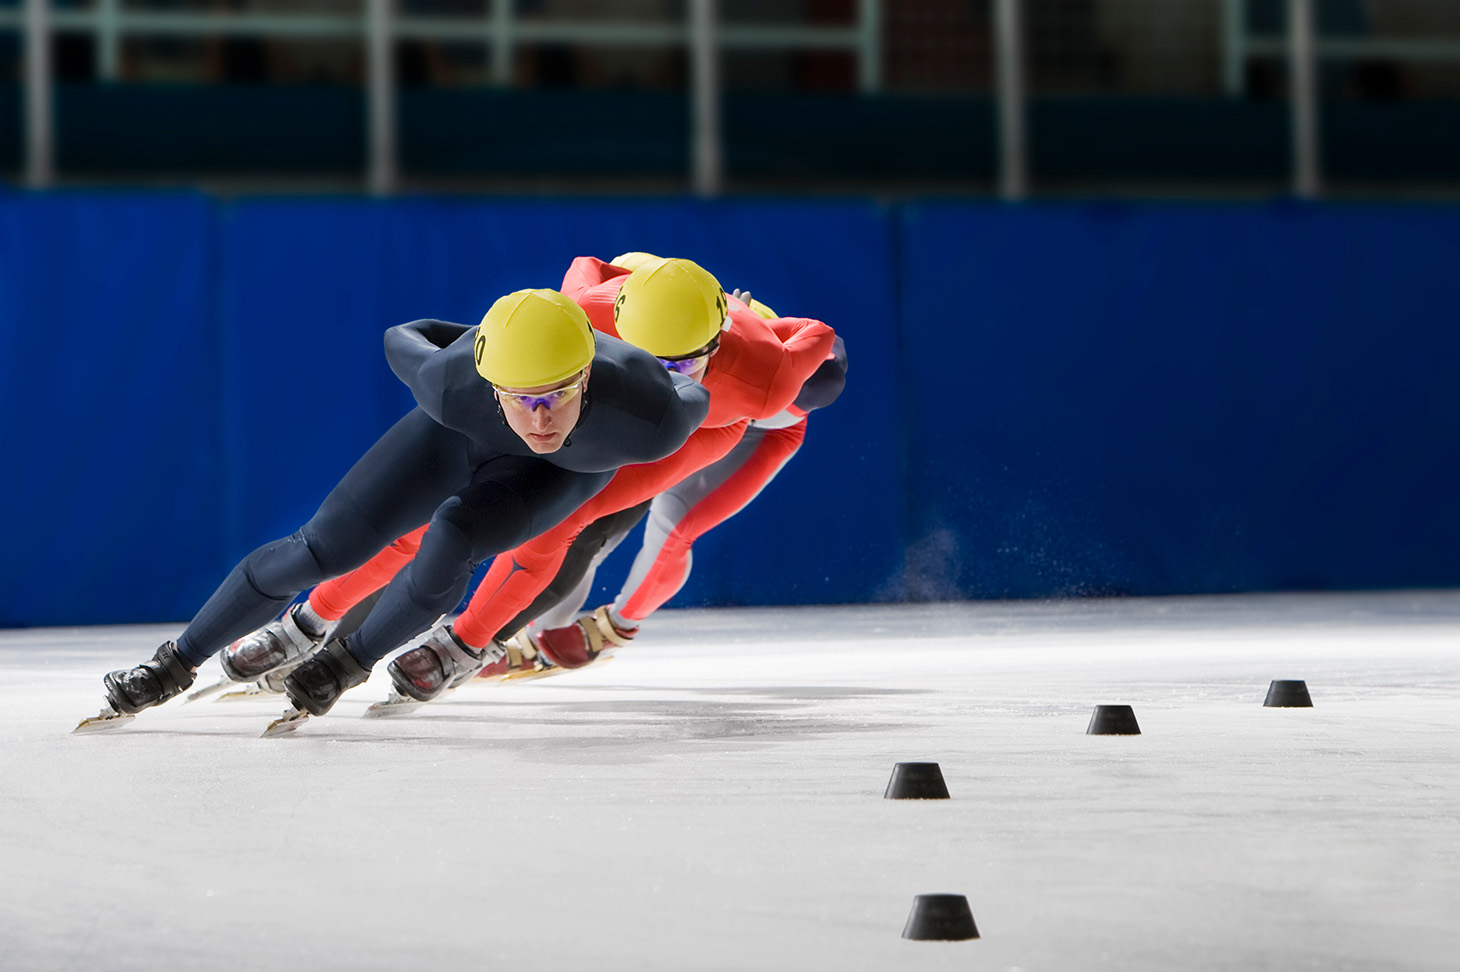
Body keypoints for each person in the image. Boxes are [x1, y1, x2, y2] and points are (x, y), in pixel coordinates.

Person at [210, 253, 838, 712]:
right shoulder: (589, 311)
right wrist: (623, 269)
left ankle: (468, 642)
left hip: (695, 425)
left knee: (571, 522)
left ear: (718, 339)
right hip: (583, 400)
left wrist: (771, 327)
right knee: (431, 509)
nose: (655, 372)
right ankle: (314, 618)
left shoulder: (767, 377)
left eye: (677, 363)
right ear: (613, 320)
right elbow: (585, 267)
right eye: (640, 351)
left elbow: (822, 345)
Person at [78, 287, 709, 733]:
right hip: (452, 437)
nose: (537, 419)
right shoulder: (448, 379)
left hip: (556, 478)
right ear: (489, 382)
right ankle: (173, 663)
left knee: (451, 539)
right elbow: (401, 337)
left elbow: (698, 388)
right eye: (518, 397)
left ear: (589, 378)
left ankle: (346, 662)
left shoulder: (650, 416)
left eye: (556, 395)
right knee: (321, 551)